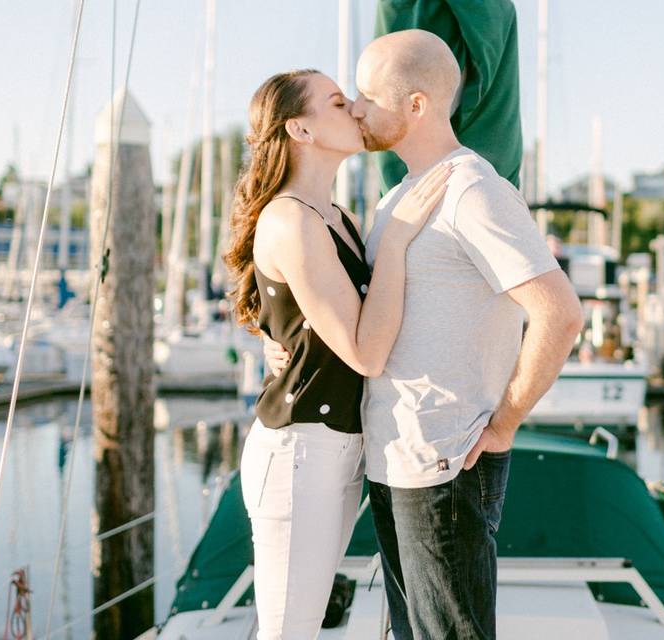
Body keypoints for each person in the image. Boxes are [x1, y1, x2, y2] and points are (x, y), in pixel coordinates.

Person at [265, 30, 584, 639]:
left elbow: (559, 313)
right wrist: (277, 338)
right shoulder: (399, 197)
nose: (355, 108)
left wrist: (505, 423)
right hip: (396, 457)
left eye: (365, 95)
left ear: (415, 105)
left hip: (446, 456)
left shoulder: (472, 189)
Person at [223, 69, 451, 639]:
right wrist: (395, 240)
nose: (354, 108)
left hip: (338, 446)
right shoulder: (290, 219)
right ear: (300, 128)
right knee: (288, 631)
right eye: (335, 101)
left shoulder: (338, 219)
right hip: (301, 450)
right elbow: (366, 353)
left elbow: (293, 316)